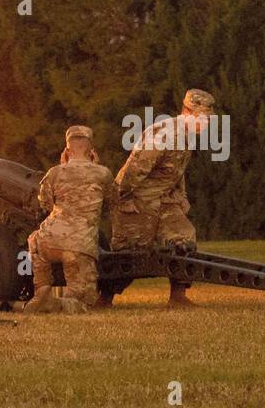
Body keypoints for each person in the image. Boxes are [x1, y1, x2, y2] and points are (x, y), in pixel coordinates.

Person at [106, 88, 215, 308]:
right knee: (129, 253)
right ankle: (103, 298)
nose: (205, 124)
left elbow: (175, 170)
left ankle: (178, 297)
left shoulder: (188, 135)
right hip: (135, 196)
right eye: (201, 118)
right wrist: (124, 199)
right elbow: (134, 170)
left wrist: (180, 196)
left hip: (163, 198)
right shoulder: (165, 135)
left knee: (184, 239)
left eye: (207, 119)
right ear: (186, 111)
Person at [24, 125, 118, 314]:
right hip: (79, 245)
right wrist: (97, 166)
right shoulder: (103, 174)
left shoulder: (54, 173)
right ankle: (62, 304)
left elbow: (45, 204)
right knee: (83, 302)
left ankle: (42, 289)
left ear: (67, 150)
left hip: (48, 240)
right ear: (92, 150)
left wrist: (62, 166)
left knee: (34, 238)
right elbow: (113, 200)